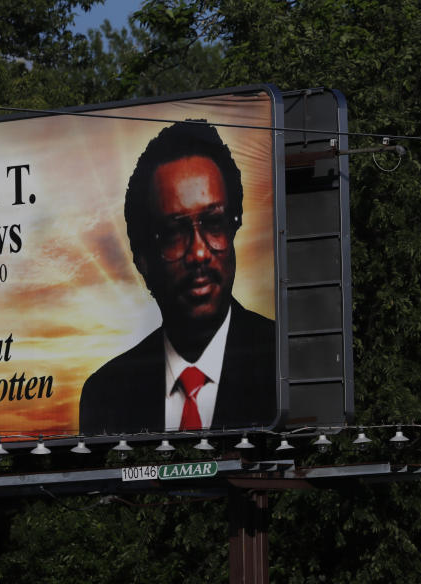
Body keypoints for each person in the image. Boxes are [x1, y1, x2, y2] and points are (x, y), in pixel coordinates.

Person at [79, 121, 276, 436]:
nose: (198, 253)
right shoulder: (106, 395)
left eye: (213, 223)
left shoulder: (283, 360)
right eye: (173, 233)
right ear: (142, 260)